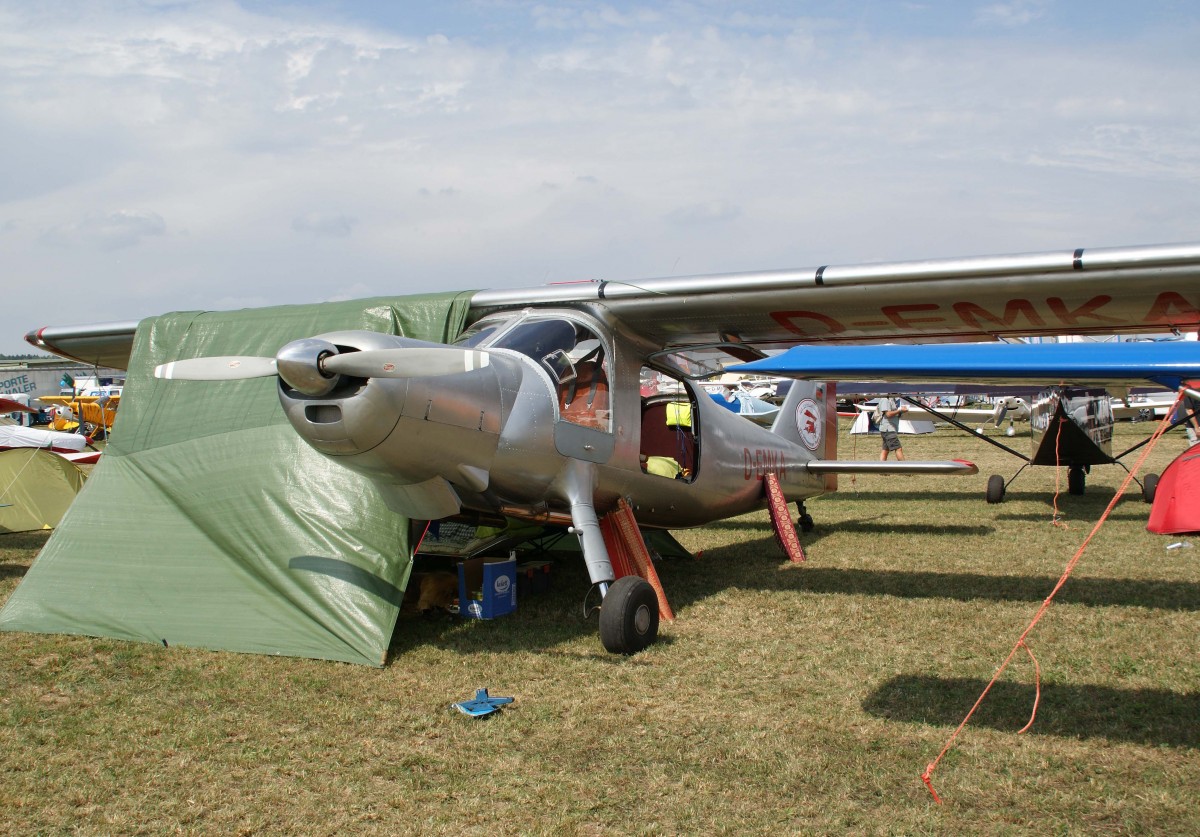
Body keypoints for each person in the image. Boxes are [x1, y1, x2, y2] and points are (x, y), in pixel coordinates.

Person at [875, 395, 906, 461]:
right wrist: (899, 410)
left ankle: (881, 468)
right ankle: (904, 467)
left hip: (889, 428)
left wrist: (901, 411)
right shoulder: (885, 399)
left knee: (885, 450)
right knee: (898, 448)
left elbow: (893, 412)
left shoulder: (893, 399)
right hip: (888, 429)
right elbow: (888, 414)